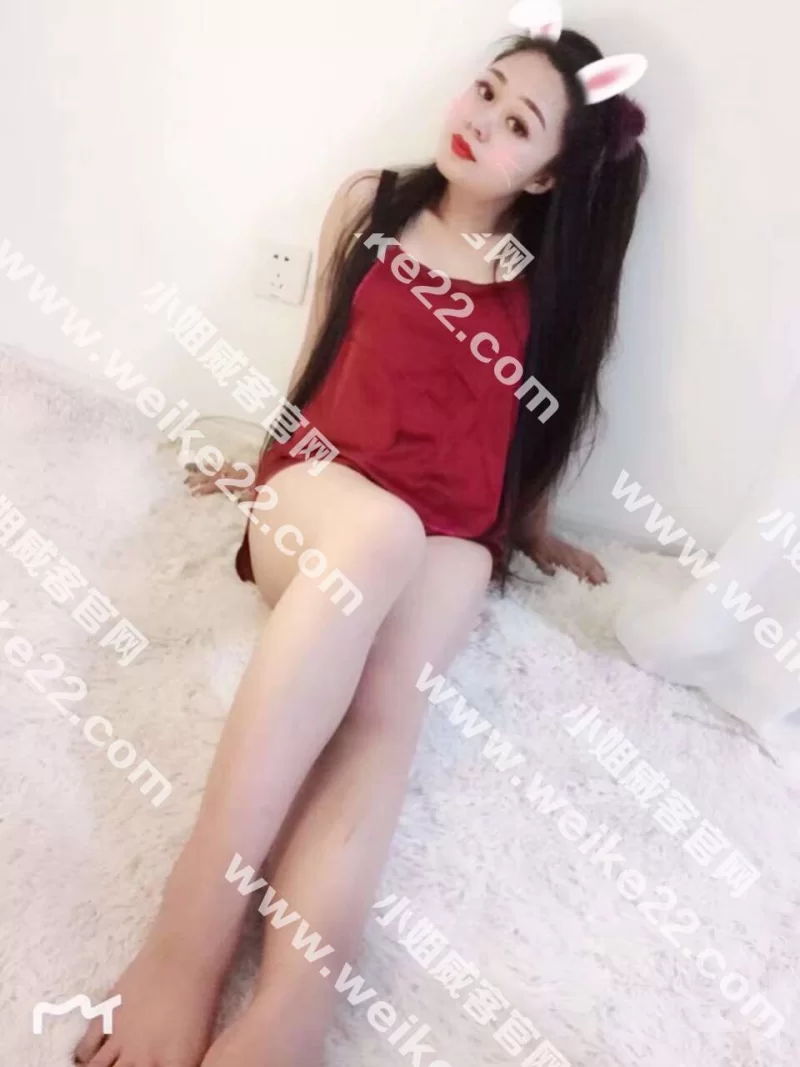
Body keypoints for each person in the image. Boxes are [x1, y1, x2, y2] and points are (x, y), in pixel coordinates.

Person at [74, 17, 648, 1067]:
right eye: (486, 90)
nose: (483, 120)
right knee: (378, 531)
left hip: (450, 530)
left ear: (547, 174)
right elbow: (319, 357)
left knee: (388, 707)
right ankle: (185, 942)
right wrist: (258, 465)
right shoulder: (373, 204)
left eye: (519, 123)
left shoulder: (545, 282)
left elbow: (529, 428)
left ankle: (293, 1010)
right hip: (323, 500)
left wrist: (533, 534)